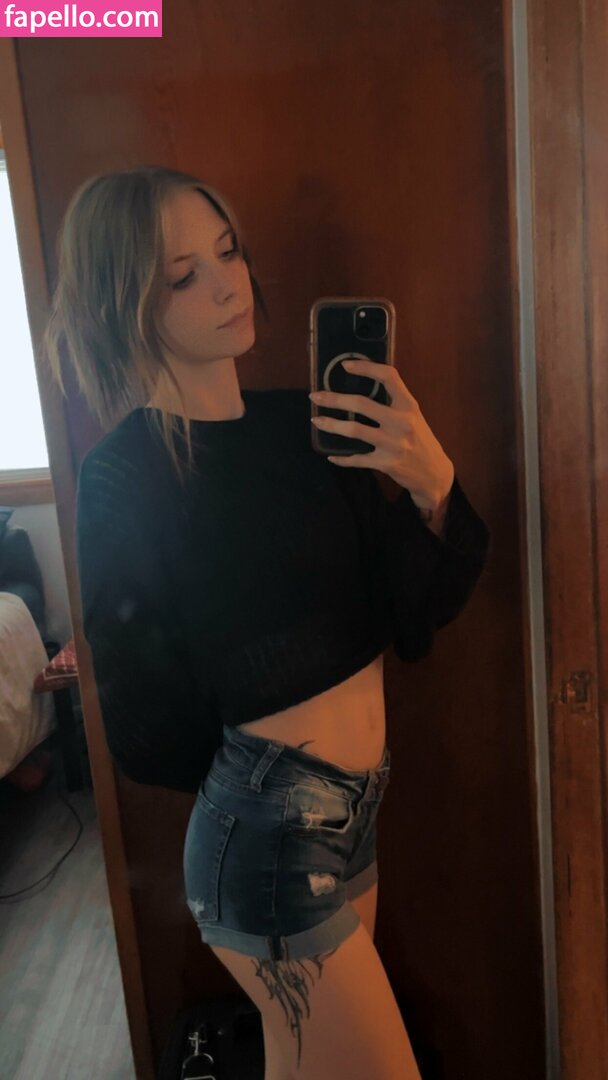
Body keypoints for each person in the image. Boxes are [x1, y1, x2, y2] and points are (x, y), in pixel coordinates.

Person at [41, 165, 491, 1080]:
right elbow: (139, 721)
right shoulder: (126, 475)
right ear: (125, 305)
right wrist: (263, 767)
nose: (228, 284)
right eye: (184, 275)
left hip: (358, 811)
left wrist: (433, 487)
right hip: (268, 835)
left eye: (228, 251)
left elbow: (413, 614)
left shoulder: (309, 425)